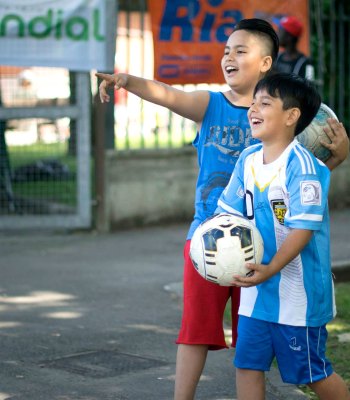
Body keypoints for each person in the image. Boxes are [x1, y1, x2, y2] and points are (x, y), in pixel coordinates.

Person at [96, 18, 349, 399]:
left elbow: (299, 187)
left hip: (271, 256)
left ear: (266, 63)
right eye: (226, 50)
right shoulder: (218, 114)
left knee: (281, 359)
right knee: (212, 340)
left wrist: (338, 156)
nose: (228, 56)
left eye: (240, 50)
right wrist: (127, 81)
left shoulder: (291, 126)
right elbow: (166, 94)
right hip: (212, 242)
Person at [216, 72, 350, 400]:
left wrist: (271, 268)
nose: (253, 109)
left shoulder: (303, 167)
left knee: (312, 373)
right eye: (254, 102)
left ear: (291, 116)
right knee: (247, 365)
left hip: (298, 300)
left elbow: (303, 229)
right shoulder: (247, 159)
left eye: (265, 103)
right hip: (257, 296)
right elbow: (228, 215)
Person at [274, 15, 315, 80]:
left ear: (289, 37)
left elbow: (310, 87)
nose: (277, 33)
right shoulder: (277, 57)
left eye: (280, 31)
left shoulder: (307, 63)